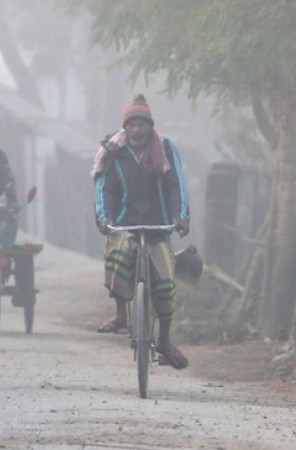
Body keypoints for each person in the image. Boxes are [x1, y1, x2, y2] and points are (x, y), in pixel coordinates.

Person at [92, 94, 190, 370]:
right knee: (118, 254)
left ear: (150, 126)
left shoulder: (165, 147)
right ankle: (121, 315)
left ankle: (165, 340)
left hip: (158, 225)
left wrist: (180, 216)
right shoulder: (112, 150)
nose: (137, 130)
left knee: (165, 281)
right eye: (132, 125)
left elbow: (177, 184)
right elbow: (103, 188)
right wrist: (105, 218)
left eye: (142, 125)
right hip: (125, 223)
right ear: (126, 127)